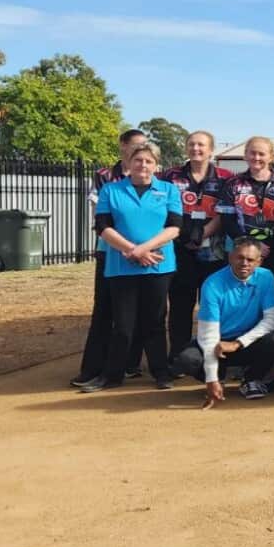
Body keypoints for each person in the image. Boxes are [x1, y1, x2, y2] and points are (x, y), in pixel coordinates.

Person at [80, 142, 183, 393]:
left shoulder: (168, 190)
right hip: (121, 266)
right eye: (138, 160)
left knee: (155, 322)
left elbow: (174, 227)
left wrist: (144, 249)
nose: (143, 165)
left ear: (156, 165)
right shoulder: (111, 191)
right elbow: (103, 226)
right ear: (129, 162)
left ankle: (161, 372)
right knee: (123, 326)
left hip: (158, 266)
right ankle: (112, 375)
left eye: (149, 161)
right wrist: (131, 250)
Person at [71, 129, 148, 388]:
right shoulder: (105, 176)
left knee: (137, 311)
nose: (140, 152)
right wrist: (127, 245)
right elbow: (101, 217)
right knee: (103, 309)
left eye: (145, 147)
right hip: (111, 251)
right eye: (136, 146)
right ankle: (92, 367)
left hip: (146, 253)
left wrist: (142, 247)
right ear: (123, 146)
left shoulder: (151, 174)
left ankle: (130, 363)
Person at [172, 237, 274, 404]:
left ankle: (251, 379)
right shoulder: (212, 284)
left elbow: (272, 320)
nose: (244, 263)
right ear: (230, 257)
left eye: (250, 259)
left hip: (246, 342)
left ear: (259, 262)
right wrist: (211, 378)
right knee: (188, 360)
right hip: (217, 342)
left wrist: (238, 343)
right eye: (240, 257)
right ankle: (218, 379)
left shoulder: (266, 277)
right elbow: (208, 335)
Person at [159, 131, 232, 361]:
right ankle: (179, 355)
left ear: (211, 149)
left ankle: (212, 354)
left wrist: (202, 234)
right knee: (180, 304)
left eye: (201, 145)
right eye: (191, 144)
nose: (196, 149)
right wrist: (181, 234)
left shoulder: (225, 177)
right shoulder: (170, 176)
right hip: (179, 248)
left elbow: (226, 212)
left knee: (212, 304)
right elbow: (162, 207)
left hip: (214, 250)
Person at [217, 136, 274, 274]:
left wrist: (268, 246)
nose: (256, 157)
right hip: (241, 252)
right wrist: (252, 245)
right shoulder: (233, 183)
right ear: (245, 155)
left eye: (262, 154)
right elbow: (227, 220)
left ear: (271, 157)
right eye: (252, 153)